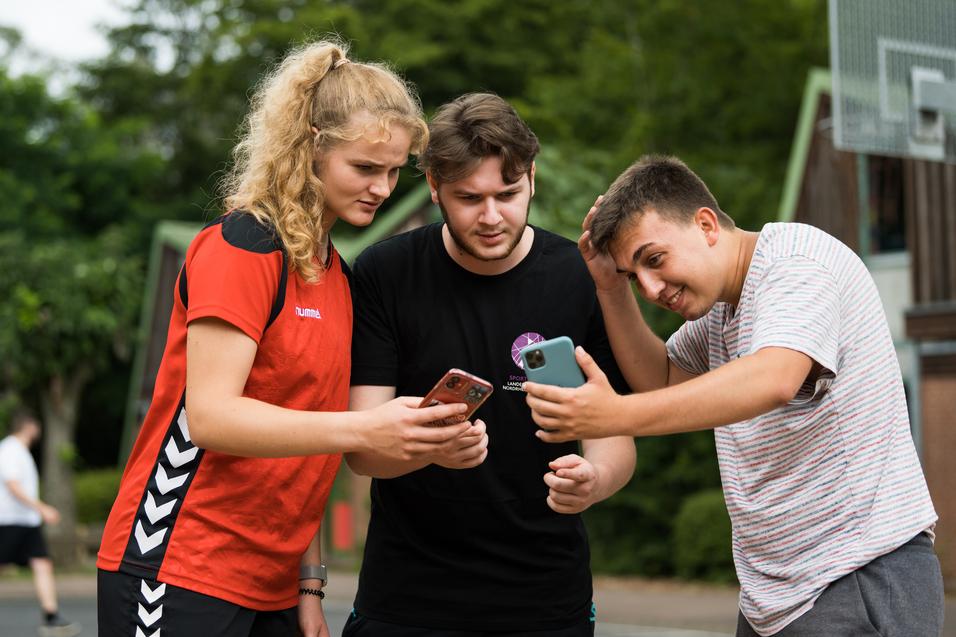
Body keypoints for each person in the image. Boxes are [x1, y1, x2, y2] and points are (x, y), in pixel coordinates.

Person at [96, 40, 475, 637]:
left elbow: (305, 441)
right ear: (310, 152)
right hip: (179, 566)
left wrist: (308, 584)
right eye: (365, 168)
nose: (381, 187)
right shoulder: (242, 246)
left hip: (274, 586)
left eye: (394, 170)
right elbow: (212, 418)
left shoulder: (340, 280)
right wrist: (364, 427)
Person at [524, 155, 943, 636]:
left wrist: (613, 415)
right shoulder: (720, 312)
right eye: (633, 276)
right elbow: (661, 379)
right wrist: (609, 290)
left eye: (654, 259)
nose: (652, 288)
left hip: (857, 574)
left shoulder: (797, 263)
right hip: (772, 598)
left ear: (705, 224)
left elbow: (773, 378)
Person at [344, 92, 637, 637]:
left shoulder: (581, 277)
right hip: (408, 600)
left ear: (532, 178)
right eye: (468, 198)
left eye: (507, 194)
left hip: (546, 602)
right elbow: (362, 454)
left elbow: (617, 435)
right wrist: (426, 447)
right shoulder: (385, 273)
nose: (491, 217)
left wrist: (594, 480)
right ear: (433, 188)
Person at [0, 410, 82, 637]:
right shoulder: (10, 450)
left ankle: (51, 615)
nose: (38, 429)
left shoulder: (21, 451)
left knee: (42, 563)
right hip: (10, 521)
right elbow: (13, 486)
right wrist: (42, 508)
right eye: (35, 425)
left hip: (26, 522)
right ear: (27, 426)